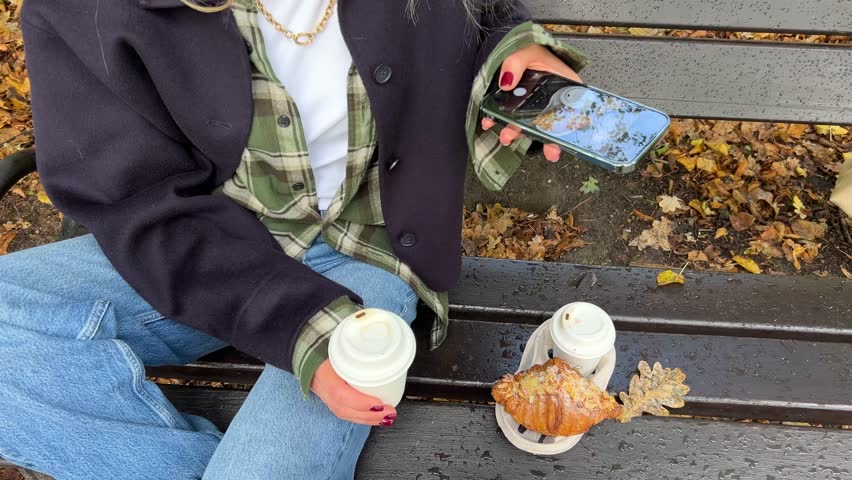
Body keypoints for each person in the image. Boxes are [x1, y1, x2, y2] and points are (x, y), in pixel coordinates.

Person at [0, 0, 586, 478]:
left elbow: (475, 18)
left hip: (372, 251)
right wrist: (302, 331)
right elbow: (137, 198)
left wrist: (514, 55)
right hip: (209, 244)